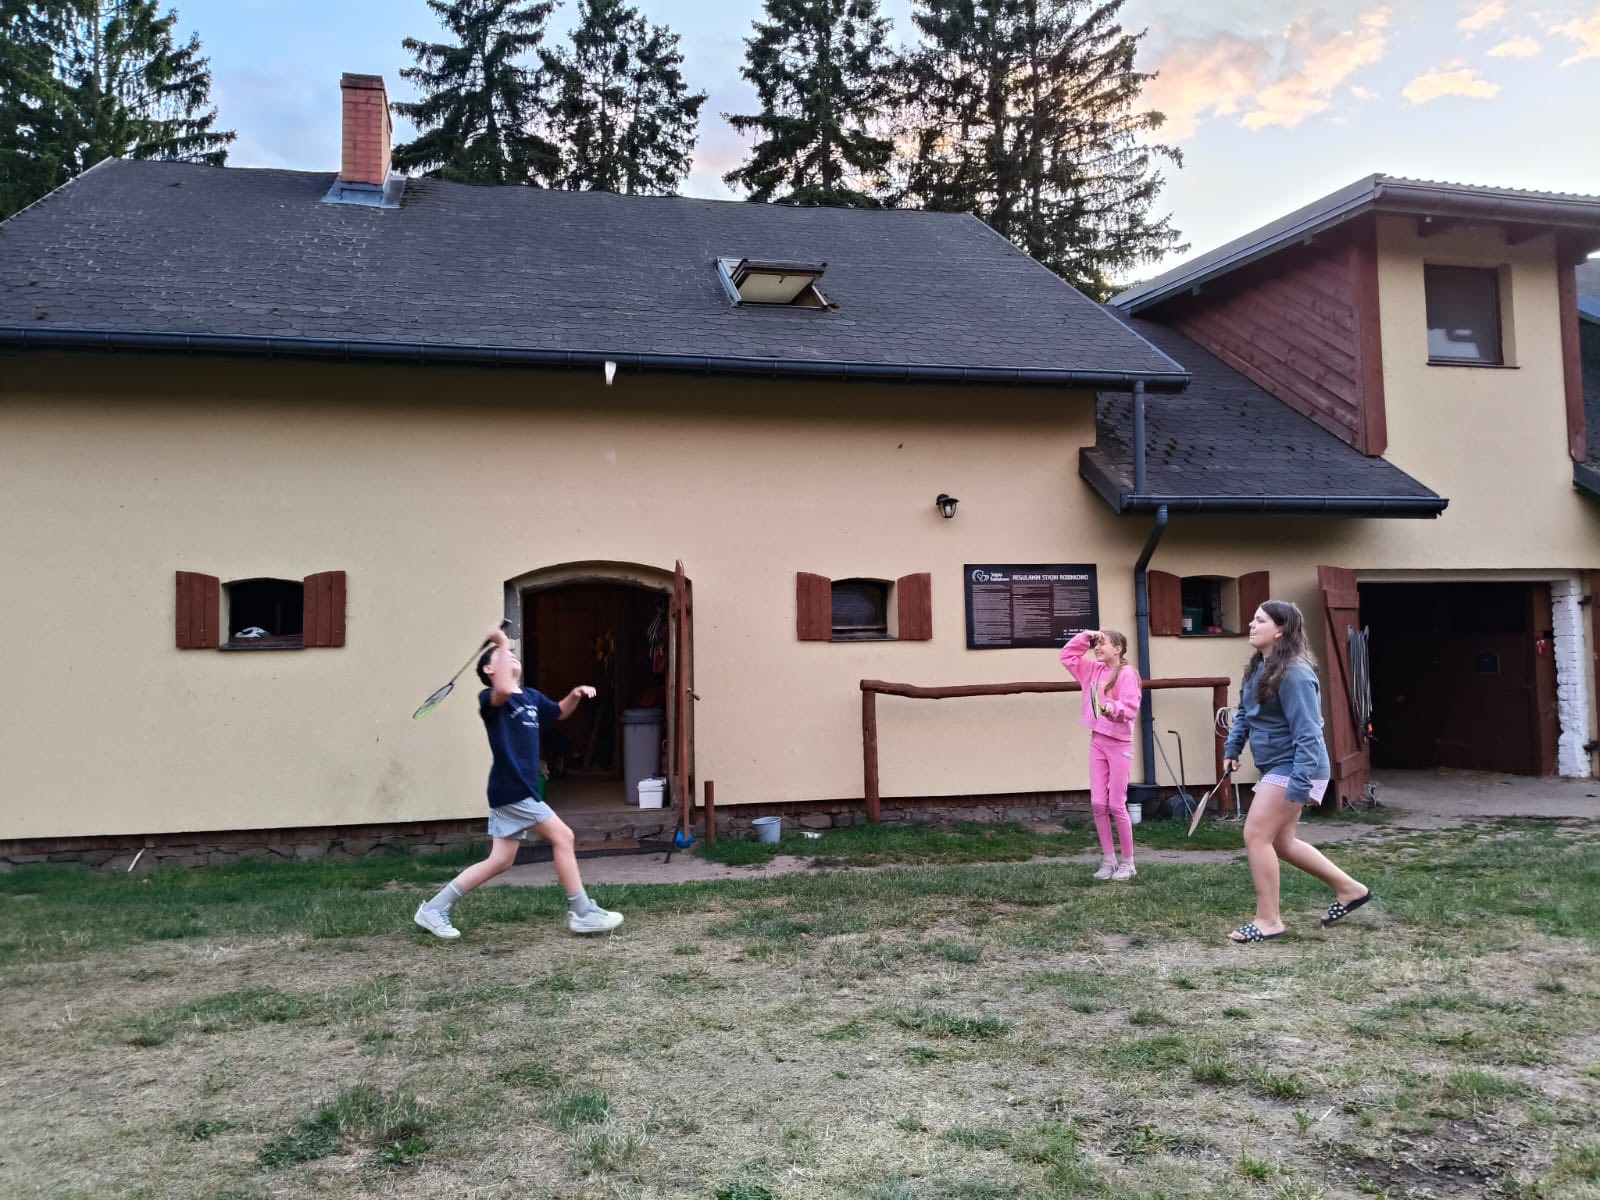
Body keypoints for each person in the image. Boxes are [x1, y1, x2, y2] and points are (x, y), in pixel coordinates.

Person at [414, 624, 625, 940]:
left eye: (512, 654)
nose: (511, 656)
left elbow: (558, 713)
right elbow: (501, 690)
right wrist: (501, 642)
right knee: (564, 837)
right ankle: (582, 912)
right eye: (502, 656)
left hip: (514, 790)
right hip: (513, 789)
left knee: (500, 860)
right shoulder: (491, 700)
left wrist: (574, 694)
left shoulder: (531, 697)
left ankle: (433, 908)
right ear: (490, 670)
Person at [1222, 600, 1372, 943]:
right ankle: (1350, 890)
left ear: (1281, 630)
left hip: (1297, 765)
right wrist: (1232, 749)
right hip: (1280, 765)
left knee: (1256, 835)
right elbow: (1245, 713)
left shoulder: (1295, 673)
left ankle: (1268, 921)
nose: (1251, 624)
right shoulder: (1259, 666)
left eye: (1260, 620)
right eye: (1253, 619)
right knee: (1282, 843)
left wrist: (1301, 783)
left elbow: (1309, 733)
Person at [1060, 628, 1144, 880]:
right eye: (1096, 644)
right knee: (1098, 803)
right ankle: (1109, 860)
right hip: (1098, 741)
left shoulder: (1128, 674)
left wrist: (1111, 708)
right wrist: (1085, 637)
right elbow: (1067, 657)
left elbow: (1131, 707)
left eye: (1102, 643)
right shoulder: (1092, 670)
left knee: (1116, 804)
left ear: (1118, 649)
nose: (1097, 648)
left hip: (1120, 744)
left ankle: (1128, 862)